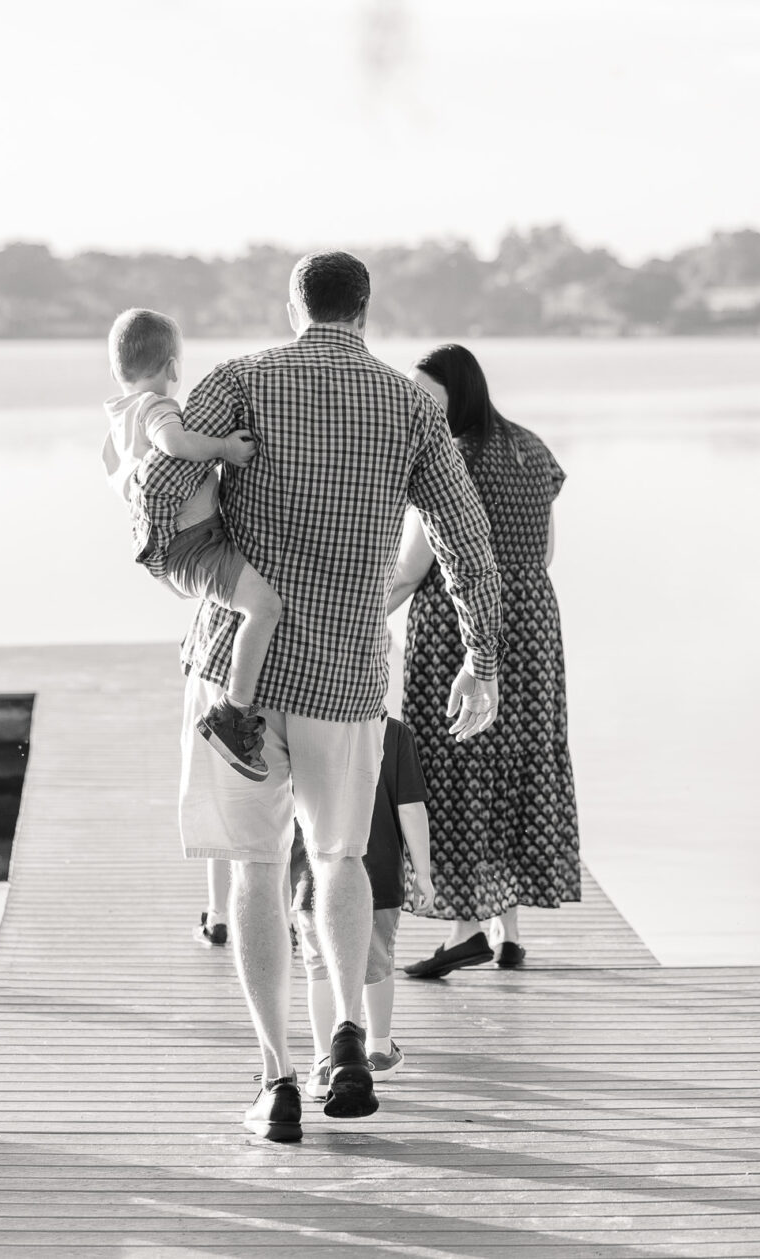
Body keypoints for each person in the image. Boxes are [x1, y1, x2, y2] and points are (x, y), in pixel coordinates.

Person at [132, 252, 502, 1144]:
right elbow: (465, 534)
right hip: (346, 674)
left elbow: (161, 486)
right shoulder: (414, 404)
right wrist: (480, 657)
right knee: (339, 858)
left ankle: (276, 1078)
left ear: (294, 306)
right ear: (365, 311)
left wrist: (202, 565)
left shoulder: (241, 379)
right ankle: (346, 1033)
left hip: (241, 682)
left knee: (258, 868)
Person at [388, 343, 580, 978]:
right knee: (515, 765)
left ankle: (466, 931)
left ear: (453, 393)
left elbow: (412, 571)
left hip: (458, 628)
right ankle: (508, 932)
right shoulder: (529, 448)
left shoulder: (446, 458)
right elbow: (546, 553)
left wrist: (347, 614)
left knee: (456, 768)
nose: (418, 402)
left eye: (426, 392)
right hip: (531, 623)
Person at [102, 307, 283, 781]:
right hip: (193, 545)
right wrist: (223, 448)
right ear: (174, 369)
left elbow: (127, 489)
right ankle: (232, 714)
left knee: (232, 600)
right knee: (264, 607)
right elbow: (174, 446)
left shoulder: (117, 422)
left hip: (177, 548)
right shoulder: (157, 408)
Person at [292, 712, 434, 1095]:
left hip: (312, 881)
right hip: (379, 876)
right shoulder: (393, 732)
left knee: (321, 968)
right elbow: (411, 808)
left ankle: (324, 1060)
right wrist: (423, 874)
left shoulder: (295, 728)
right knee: (376, 963)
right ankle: (379, 1048)